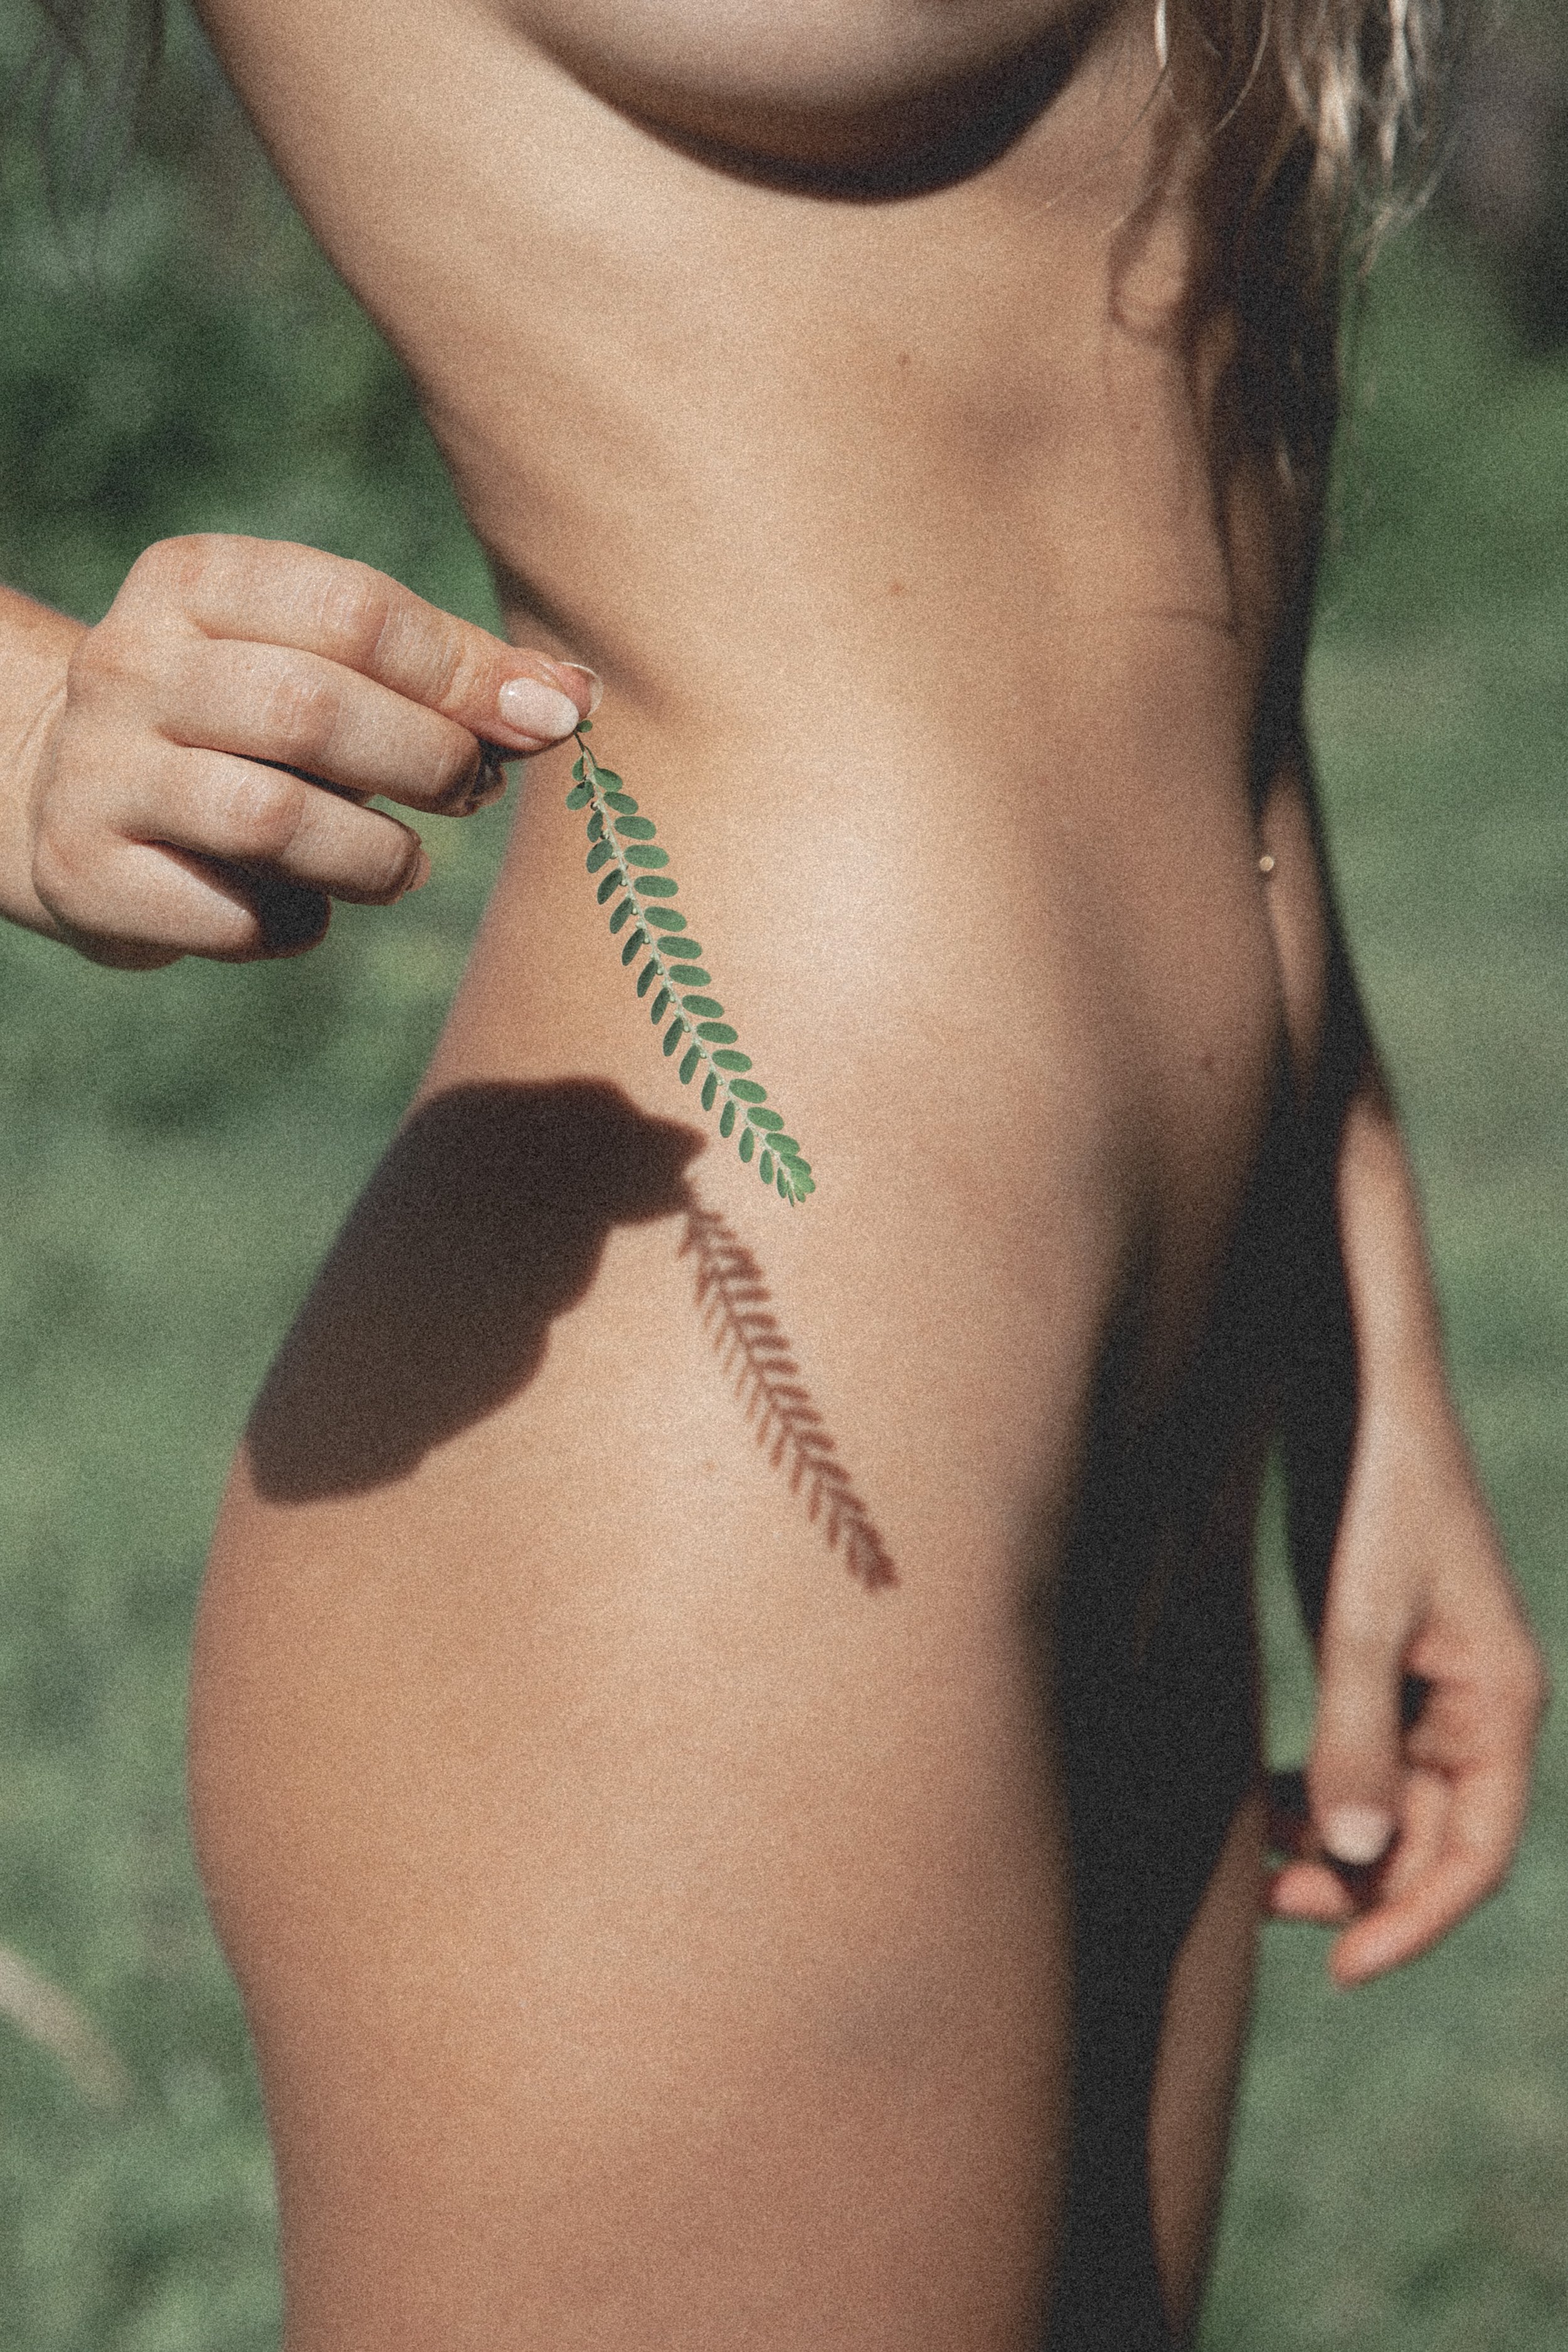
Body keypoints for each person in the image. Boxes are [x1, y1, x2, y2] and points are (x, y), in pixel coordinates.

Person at [0, 0, 1548, 2343]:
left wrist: (1354, 1297)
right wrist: (19, 728)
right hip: (710, 1458)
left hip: (1157, 1402)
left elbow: (1164, 433)